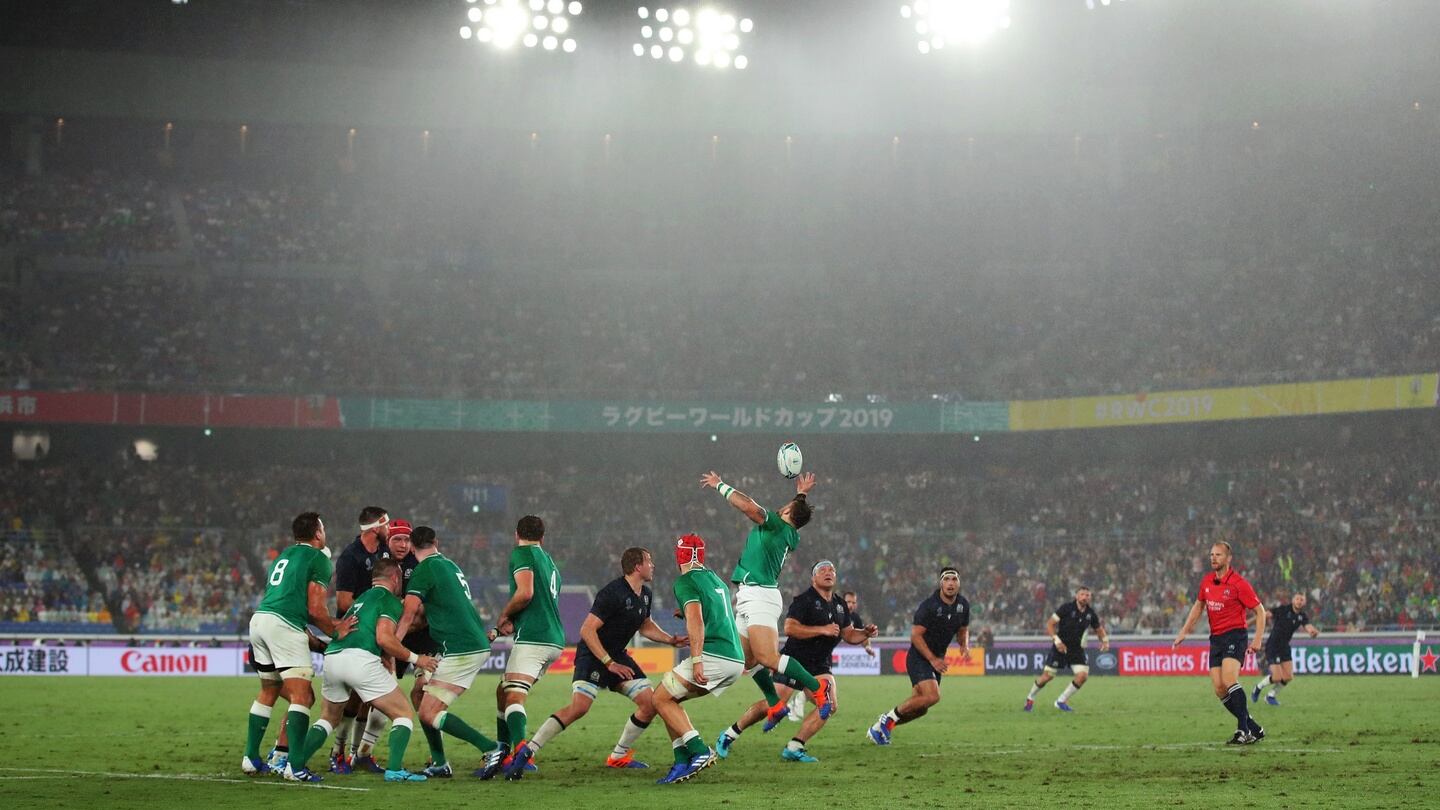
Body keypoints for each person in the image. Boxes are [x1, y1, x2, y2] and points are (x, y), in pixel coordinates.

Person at [515, 547, 688, 772]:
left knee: (651, 703)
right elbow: (587, 630)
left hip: (617, 656)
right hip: (594, 656)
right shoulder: (612, 593)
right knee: (580, 707)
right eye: (649, 561)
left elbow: (645, 625)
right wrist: (608, 662)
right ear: (637, 566)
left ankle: (618, 756)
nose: (653, 565)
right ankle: (528, 751)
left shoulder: (645, 594)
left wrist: (669, 640)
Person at [283, 559, 439, 783]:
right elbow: (384, 638)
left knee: (328, 718)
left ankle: (295, 767)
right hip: (360, 659)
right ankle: (394, 770)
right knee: (403, 714)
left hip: (334, 658)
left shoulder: (362, 599)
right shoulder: (390, 600)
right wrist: (417, 658)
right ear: (395, 577)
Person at [699, 469, 829, 726]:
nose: (782, 506)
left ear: (788, 514)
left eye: (788, 506)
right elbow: (795, 513)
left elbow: (748, 507)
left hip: (761, 594)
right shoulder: (791, 533)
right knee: (746, 661)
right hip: (749, 594)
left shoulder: (775, 524)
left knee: (769, 657)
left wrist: (720, 485)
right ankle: (775, 704)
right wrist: (801, 494)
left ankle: (817, 688)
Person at [717, 560, 877, 763]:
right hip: (793, 661)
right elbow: (790, 628)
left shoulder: (839, 604)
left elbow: (849, 635)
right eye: (823, 570)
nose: (828, 572)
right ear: (814, 578)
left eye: (832, 570)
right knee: (772, 704)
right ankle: (729, 735)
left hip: (819, 665)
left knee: (829, 705)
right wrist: (823, 629)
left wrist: (864, 633)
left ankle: (795, 746)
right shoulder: (804, 600)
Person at [241, 512, 353, 775]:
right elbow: (315, 609)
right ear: (317, 533)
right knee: (302, 696)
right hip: (283, 625)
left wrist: (314, 638)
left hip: (260, 620)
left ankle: (250, 757)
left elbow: (288, 600)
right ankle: (295, 767)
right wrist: (337, 633)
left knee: (269, 690)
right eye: (323, 527)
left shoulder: (283, 556)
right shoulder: (319, 558)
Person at [396, 525, 501, 778]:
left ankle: (492, 748)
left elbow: (409, 614)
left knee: (428, 711)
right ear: (437, 542)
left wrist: (391, 647)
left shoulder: (425, 569)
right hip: (467, 643)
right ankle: (440, 763)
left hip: (462, 647)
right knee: (422, 698)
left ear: (411, 546)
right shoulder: (450, 565)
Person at [652, 534, 745, 785]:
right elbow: (713, 614)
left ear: (679, 555)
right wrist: (684, 612)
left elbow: (696, 619)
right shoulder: (716, 579)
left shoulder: (685, 581)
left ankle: (699, 750)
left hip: (714, 655)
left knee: (659, 698)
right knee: (669, 700)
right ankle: (682, 761)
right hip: (735, 658)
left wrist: (696, 660)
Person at [482, 515, 566, 781]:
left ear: (516, 533)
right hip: (554, 639)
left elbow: (526, 593)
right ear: (543, 536)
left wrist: (503, 616)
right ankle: (503, 750)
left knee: (514, 696)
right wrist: (514, 622)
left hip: (535, 638)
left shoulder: (522, 553)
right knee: (503, 690)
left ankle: (520, 750)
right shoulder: (550, 562)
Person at [1172, 541, 1267, 745]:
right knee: (1219, 688)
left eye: (1218, 555)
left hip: (1235, 635)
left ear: (1228, 558)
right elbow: (1198, 607)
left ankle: (1243, 731)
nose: (1213, 558)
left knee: (1230, 679)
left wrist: (1257, 639)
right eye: (1211, 555)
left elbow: (1260, 610)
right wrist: (1184, 632)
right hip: (1216, 639)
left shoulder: (1238, 583)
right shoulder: (1207, 582)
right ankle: (1252, 726)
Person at [868, 567, 970, 745]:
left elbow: (963, 628)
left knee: (921, 708)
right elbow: (915, 635)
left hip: (936, 658)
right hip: (919, 657)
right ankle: (888, 718)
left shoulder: (963, 605)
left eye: (954, 579)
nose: (951, 583)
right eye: (947, 579)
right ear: (941, 583)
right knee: (933, 696)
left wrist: (964, 644)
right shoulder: (929, 606)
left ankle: (878, 729)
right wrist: (932, 659)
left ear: (959, 583)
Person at [328, 506, 391, 773]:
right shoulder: (350, 557)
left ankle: (357, 755)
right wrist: (370, 618)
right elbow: (343, 600)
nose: (389, 529)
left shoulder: (383, 554)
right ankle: (337, 752)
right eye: (386, 524)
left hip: (374, 634)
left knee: (369, 696)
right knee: (351, 698)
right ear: (375, 528)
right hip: (355, 634)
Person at [1023, 586, 1110, 712]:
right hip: (1060, 647)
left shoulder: (1090, 614)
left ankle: (1061, 701)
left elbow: (1099, 629)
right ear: (1076, 596)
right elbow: (1050, 624)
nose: (1085, 597)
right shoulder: (1066, 608)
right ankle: (1031, 697)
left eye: (1087, 595)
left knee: (1082, 675)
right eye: (1082, 594)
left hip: (1076, 649)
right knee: (1047, 677)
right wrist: (1057, 641)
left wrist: (1105, 641)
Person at [1253, 591, 1319, 706]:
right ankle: (1258, 687)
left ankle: (1270, 696)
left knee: (1288, 676)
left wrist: (1312, 632)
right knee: (1277, 677)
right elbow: (1267, 614)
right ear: (1293, 600)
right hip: (1273, 645)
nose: (1299, 601)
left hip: (1284, 647)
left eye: (1301, 600)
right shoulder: (1283, 610)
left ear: (1304, 602)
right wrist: (1259, 616)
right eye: (1297, 599)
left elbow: (1308, 627)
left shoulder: (1302, 616)